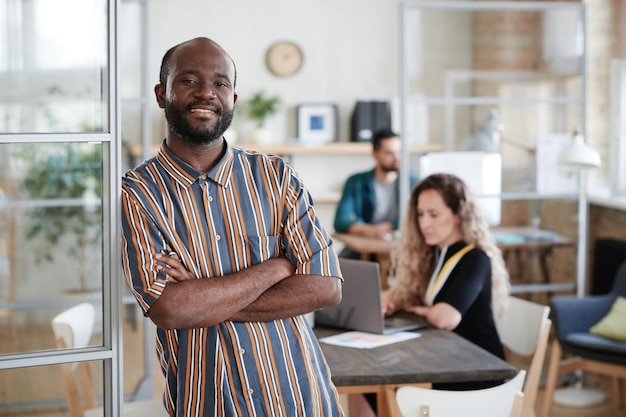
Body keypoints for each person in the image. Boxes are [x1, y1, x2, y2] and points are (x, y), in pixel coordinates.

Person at [121, 37, 345, 416]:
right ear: (162, 94)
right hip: (207, 401)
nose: (207, 92)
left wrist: (203, 299)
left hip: (299, 396)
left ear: (234, 99)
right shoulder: (138, 193)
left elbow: (326, 286)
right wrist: (279, 267)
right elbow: (170, 309)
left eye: (221, 83)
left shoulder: (276, 177)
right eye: (188, 81)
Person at [382, 173, 510, 390]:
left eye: (434, 214)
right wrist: (393, 299)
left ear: (459, 214)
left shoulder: (475, 259)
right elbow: (398, 293)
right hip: (448, 361)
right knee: (377, 387)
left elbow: (445, 318)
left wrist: (423, 310)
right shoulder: (435, 254)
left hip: (479, 373)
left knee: (387, 387)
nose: (424, 223)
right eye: (420, 214)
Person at [333, 128, 419, 258]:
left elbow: (416, 217)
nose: (397, 158)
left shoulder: (413, 181)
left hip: (400, 246)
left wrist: (390, 226)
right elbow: (340, 221)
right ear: (375, 155)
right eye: (390, 153)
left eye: (400, 152)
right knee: (339, 264)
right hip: (365, 244)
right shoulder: (356, 182)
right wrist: (366, 229)